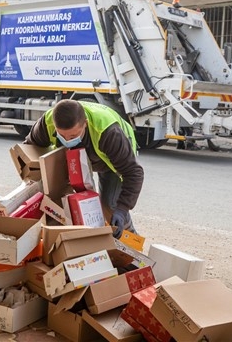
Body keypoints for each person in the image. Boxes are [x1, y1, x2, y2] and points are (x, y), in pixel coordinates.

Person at [25, 99, 144, 238]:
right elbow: (28, 151)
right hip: (75, 157)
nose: (67, 140)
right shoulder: (47, 123)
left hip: (110, 161)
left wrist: (122, 210)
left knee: (111, 206)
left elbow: (134, 173)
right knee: (72, 202)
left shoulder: (109, 133)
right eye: (61, 135)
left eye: (73, 136)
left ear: (85, 124)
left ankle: (133, 250)